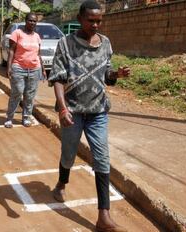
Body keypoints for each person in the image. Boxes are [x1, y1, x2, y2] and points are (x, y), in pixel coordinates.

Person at [47, 1, 130, 232]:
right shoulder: (66, 44)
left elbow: (106, 75)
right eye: (90, 20)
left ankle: (104, 217)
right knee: (69, 154)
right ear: (80, 19)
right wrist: (63, 108)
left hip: (98, 111)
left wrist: (117, 74)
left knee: (102, 158)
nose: (95, 24)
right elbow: (58, 79)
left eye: (99, 21)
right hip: (72, 112)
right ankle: (61, 183)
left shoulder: (106, 44)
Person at [4, 13, 46, 128]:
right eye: (30, 20)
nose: (32, 23)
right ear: (25, 21)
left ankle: (26, 117)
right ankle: (9, 117)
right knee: (16, 92)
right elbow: (11, 51)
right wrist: (9, 67)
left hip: (34, 69)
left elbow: (38, 53)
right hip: (18, 67)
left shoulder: (37, 36)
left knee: (30, 95)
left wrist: (42, 69)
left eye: (34, 21)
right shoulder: (17, 33)